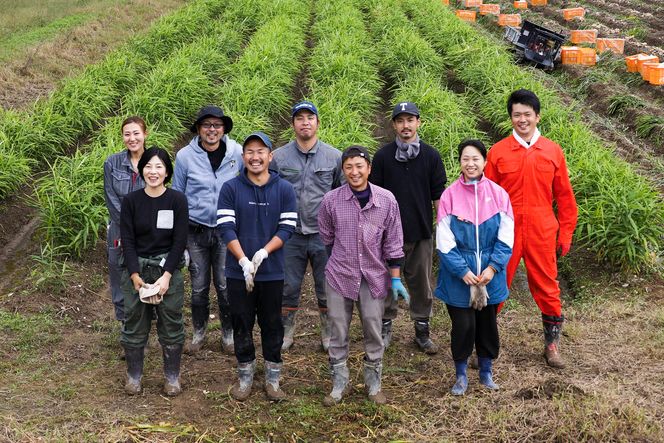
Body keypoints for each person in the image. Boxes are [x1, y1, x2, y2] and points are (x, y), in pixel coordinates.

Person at [484, 89, 578, 368]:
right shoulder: (499, 151)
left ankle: (551, 345)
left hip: (541, 229)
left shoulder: (552, 150)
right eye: (517, 115)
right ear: (511, 118)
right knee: (495, 284)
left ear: (537, 116)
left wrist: (566, 233)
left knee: (547, 287)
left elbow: (565, 197)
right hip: (506, 231)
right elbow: (487, 197)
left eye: (527, 114)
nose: (522, 119)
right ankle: (486, 344)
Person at [318, 145, 408, 406]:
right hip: (339, 275)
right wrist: (341, 259)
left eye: (359, 166)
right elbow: (326, 237)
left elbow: (393, 242)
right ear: (343, 170)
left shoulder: (386, 200)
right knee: (337, 327)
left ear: (369, 169)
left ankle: (373, 383)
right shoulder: (331, 200)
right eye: (348, 167)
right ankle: (339, 383)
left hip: (373, 276)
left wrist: (395, 277)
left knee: (372, 325)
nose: (354, 172)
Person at [217, 132, 297, 402]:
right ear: (243, 157)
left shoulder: (283, 189)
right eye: (250, 151)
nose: (255, 157)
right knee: (241, 321)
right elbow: (226, 227)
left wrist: (263, 252)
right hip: (238, 271)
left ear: (270, 156)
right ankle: (245, 374)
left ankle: (273, 376)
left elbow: (288, 227)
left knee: (272, 323)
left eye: (261, 151)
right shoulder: (231, 188)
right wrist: (242, 260)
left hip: (272, 270)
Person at [435, 140, 514, 396]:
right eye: (465, 159)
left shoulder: (499, 195)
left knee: (487, 324)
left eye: (476, 159)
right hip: (459, 276)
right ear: (460, 162)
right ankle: (460, 374)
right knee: (463, 326)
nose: (470, 164)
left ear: (485, 162)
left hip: (490, 274)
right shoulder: (450, 196)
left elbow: (506, 237)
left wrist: (492, 268)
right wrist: (463, 271)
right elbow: (445, 241)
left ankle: (486, 371)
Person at [369, 102, 447, 354]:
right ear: (393, 125)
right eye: (400, 121)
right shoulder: (382, 157)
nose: (406, 125)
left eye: (410, 120)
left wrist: (442, 226)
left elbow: (438, 195)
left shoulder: (431, 156)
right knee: (385, 282)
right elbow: (375, 196)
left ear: (418, 122)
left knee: (421, 283)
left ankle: (422, 331)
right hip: (387, 235)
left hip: (421, 231)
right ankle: (385, 326)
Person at [271, 101, 342, 352]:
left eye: (309, 117)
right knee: (288, 286)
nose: (305, 122)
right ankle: (286, 332)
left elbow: (342, 194)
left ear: (317, 123)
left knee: (326, 287)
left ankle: (328, 333)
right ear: (293, 124)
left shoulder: (334, 157)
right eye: (299, 118)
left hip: (324, 235)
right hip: (290, 234)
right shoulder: (279, 157)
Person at [172, 105, 243, 355]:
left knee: (225, 285)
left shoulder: (237, 152)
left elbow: (245, 185)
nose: (212, 130)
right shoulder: (184, 156)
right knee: (199, 285)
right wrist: (178, 236)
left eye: (217, 125)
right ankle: (199, 332)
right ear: (199, 129)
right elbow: (177, 196)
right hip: (195, 231)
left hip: (226, 230)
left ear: (223, 129)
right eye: (206, 125)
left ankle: (228, 334)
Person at [119, 147, 189, 396]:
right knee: (135, 322)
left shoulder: (177, 200)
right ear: (141, 170)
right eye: (148, 166)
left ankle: (171, 378)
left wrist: (168, 275)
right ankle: (134, 377)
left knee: (171, 321)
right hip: (138, 268)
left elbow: (179, 240)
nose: (153, 171)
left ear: (167, 171)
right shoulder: (131, 202)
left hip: (166, 269)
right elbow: (127, 240)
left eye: (159, 166)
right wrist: (135, 275)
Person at [103, 116, 147, 324]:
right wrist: (130, 226)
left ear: (145, 134)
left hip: (147, 231)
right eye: (127, 134)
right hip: (119, 230)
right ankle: (126, 327)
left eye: (136, 133)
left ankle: (144, 326)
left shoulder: (154, 162)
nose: (132, 138)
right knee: (119, 275)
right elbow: (111, 198)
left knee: (146, 272)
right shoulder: (112, 163)